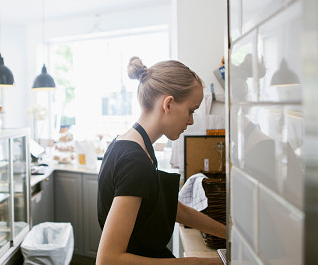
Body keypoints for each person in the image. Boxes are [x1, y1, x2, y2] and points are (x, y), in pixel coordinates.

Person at [96, 57, 226, 264]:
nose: (191, 121)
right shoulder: (134, 161)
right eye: (191, 111)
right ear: (169, 104)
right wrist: (200, 262)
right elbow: (108, 260)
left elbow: (176, 209)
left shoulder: (132, 144)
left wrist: (230, 235)